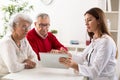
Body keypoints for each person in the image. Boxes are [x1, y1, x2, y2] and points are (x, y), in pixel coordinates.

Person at [59, 7, 117, 80]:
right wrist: (67, 55)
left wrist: (74, 65)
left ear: (99, 20)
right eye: (85, 21)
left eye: (89, 20)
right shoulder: (95, 40)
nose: (86, 23)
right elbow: (82, 57)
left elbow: (94, 72)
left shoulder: (106, 42)